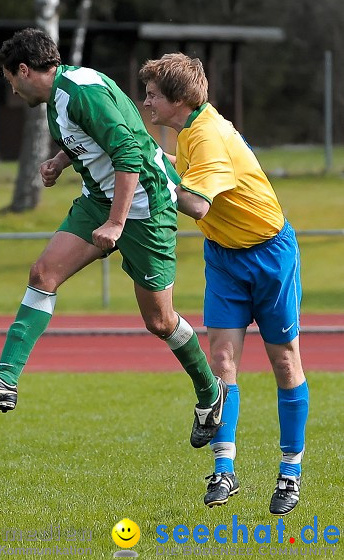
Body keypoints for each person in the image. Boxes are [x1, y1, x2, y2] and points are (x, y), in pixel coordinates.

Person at [0, 28, 226, 450]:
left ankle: (211, 392)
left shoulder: (81, 93)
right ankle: (6, 381)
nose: (12, 88)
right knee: (43, 273)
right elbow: (89, 138)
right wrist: (61, 162)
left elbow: (128, 153)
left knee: (160, 321)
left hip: (143, 206)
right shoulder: (64, 91)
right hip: (100, 199)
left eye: (10, 79)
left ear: (24, 70)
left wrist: (117, 225)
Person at [139, 53, 308, 515]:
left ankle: (290, 473)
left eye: (153, 94)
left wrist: (151, 179)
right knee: (222, 360)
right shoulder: (193, 129)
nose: (147, 101)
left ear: (177, 99)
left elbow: (195, 205)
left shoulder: (210, 136)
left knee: (284, 362)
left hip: (268, 255)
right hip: (225, 258)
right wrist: (151, 157)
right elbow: (183, 170)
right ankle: (224, 470)